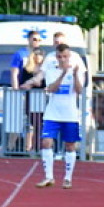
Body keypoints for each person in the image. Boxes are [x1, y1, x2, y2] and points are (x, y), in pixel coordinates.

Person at [35, 44, 86, 189]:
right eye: (60, 56)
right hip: (52, 113)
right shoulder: (51, 69)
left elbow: (79, 90)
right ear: (56, 57)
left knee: (70, 145)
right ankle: (48, 176)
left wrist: (74, 75)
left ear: (69, 56)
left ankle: (68, 178)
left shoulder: (76, 69)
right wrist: (63, 74)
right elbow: (51, 88)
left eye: (65, 56)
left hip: (70, 114)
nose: (63, 59)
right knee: (46, 142)